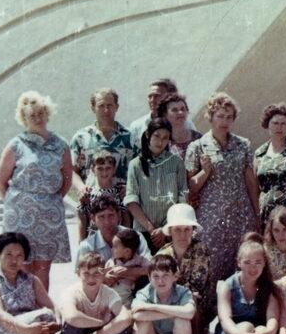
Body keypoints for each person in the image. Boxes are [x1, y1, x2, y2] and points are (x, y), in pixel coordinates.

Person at [185, 92, 260, 309]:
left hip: (241, 215)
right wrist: (206, 171)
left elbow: (251, 181)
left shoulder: (243, 144)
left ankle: (239, 312)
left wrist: (257, 213)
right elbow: (191, 187)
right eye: (220, 116)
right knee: (211, 266)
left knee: (241, 263)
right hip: (211, 218)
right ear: (210, 117)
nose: (224, 121)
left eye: (229, 117)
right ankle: (207, 315)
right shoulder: (197, 147)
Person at [0, 91, 73, 293]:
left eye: (41, 113)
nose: (38, 118)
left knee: (43, 267)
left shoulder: (61, 145)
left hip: (49, 214)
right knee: (21, 264)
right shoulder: (16, 144)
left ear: (47, 114)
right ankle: (22, 305)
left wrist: (51, 199)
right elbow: (0, 181)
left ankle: (42, 307)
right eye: (32, 115)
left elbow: (67, 179)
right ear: (24, 118)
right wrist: (15, 203)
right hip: (20, 215)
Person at [125, 117, 188, 251]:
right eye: (157, 136)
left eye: (165, 138)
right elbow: (131, 201)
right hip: (144, 231)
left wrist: (165, 229)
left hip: (171, 230)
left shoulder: (176, 163)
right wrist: (151, 229)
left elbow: (182, 197)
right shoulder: (135, 165)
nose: (160, 142)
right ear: (148, 135)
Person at [70, 87, 135, 200]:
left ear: (116, 107)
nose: (106, 110)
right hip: (92, 201)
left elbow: (140, 170)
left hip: (123, 201)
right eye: (101, 106)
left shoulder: (130, 138)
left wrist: (130, 187)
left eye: (109, 105)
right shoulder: (81, 138)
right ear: (93, 108)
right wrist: (81, 187)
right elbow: (71, 171)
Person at [158, 204, 212, 334]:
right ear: (170, 231)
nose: (182, 235)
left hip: (197, 302)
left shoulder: (201, 249)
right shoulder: (162, 254)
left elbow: (198, 286)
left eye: (187, 229)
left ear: (193, 230)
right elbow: (159, 284)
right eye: (177, 229)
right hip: (169, 300)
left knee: (191, 300)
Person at [76, 195, 151, 267]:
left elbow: (150, 267)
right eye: (101, 217)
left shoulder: (136, 237)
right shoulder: (87, 247)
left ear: (119, 215)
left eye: (111, 215)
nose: (107, 222)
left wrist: (126, 272)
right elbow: (81, 274)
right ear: (93, 219)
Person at [76, 149, 128, 240]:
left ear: (114, 169)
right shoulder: (88, 194)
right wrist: (82, 245)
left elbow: (126, 220)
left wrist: (126, 241)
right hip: (94, 241)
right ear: (93, 169)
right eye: (100, 168)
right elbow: (83, 222)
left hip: (116, 241)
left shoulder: (120, 192)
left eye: (108, 168)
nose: (104, 172)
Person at [131, 78, 197, 145]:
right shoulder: (137, 127)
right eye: (150, 96)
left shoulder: (186, 123)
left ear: (170, 97)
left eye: (157, 96)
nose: (152, 100)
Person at [104, 228, 150, 306]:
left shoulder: (139, 260)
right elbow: (103, 275)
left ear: (127, 251)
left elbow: (151, 269)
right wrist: (107, 277)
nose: (111, 249)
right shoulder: (112, 261)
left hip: (126, 299)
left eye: (115, 247)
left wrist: (132, 271)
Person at [156, 92, 202, 162]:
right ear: (164, 115)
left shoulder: (199, 138)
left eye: (183, 109)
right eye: (174, 110)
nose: (180, 112)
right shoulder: (162, 144)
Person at [263, 205, 286, 279]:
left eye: (285, 229)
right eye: (276, 230)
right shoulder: (265, 251)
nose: (281, 235)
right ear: (271, 231)